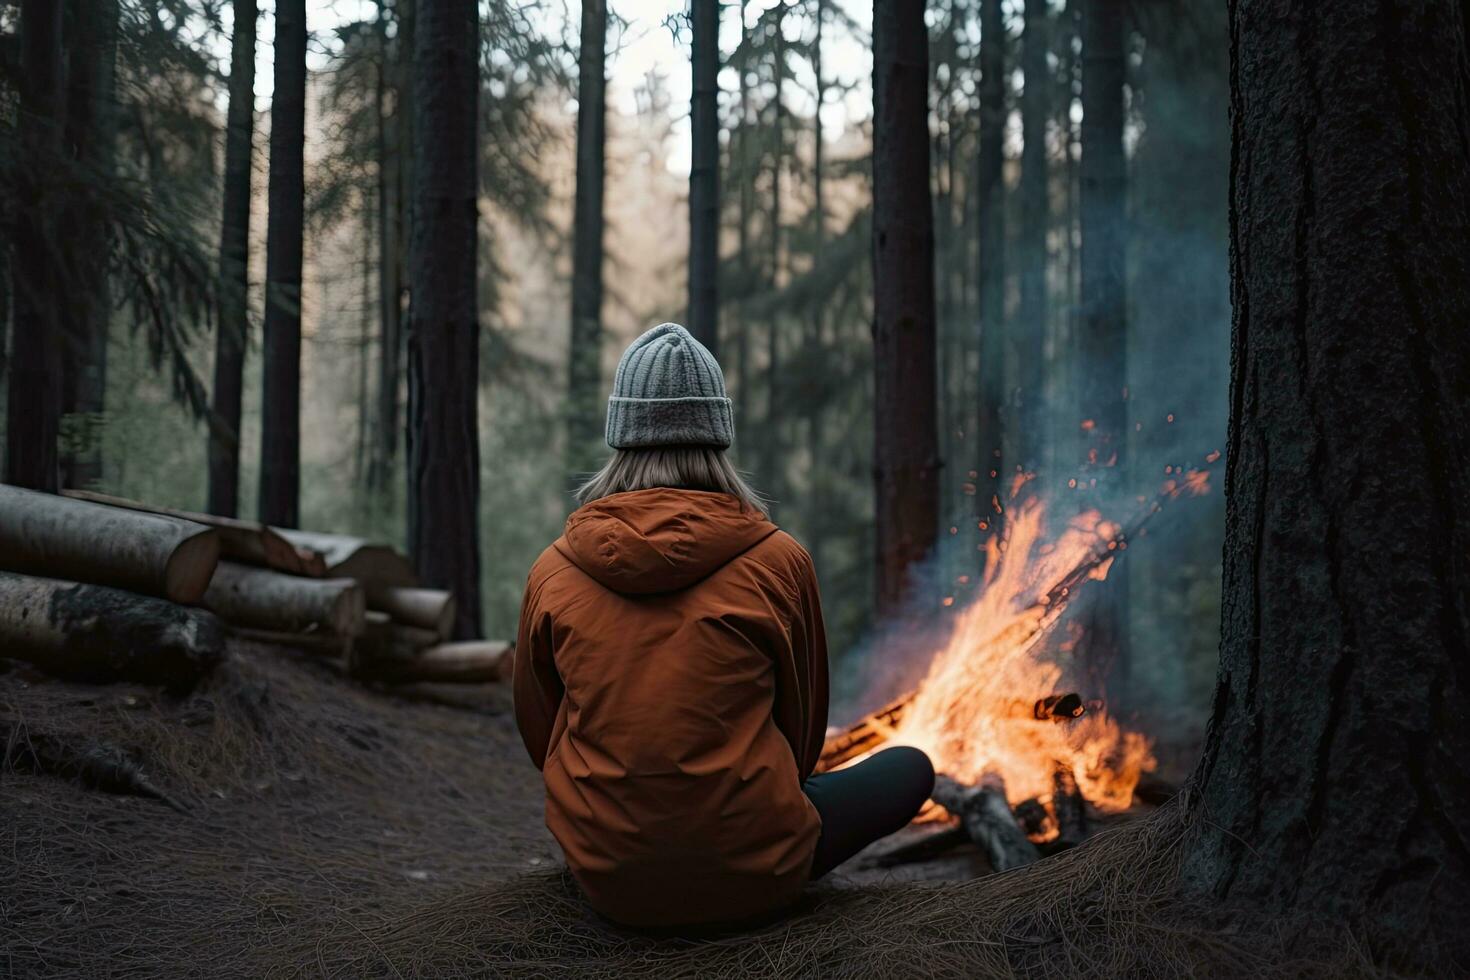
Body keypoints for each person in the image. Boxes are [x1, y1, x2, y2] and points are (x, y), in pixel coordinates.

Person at [513, 322, 935, 929]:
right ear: (718, 437)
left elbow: (538, 730)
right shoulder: (780, 561)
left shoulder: (554, 571)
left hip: (607, 876)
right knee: (910, 767)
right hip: (757, 873)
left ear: (620, 436)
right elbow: (802, 736)